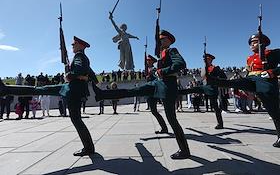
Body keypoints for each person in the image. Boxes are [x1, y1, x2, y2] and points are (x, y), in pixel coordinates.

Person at [93, 30, 191, 159]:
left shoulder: (172, 51)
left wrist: (163, 71)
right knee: (134, 91)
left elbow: (181, 64)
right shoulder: (162, 54)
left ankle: (184, 150)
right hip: (158, 84)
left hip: (168, 86)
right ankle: (103, 94)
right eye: (160, 40)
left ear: (169, 41)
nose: (161, 41)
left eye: (163, 39)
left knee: (172, 119)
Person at [0, 36, 98, 156]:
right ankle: (89, 147)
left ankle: (89, 148)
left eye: (74, 44)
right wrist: (84, 77)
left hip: (73, 90)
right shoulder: (83, 58)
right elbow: (93, 77)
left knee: (74, 118)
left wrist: (70, 75)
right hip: (73, 90)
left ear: (80, 46)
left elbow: (79, 70)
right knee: (41, 90)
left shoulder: (79, 56)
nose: (72, 46)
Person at [208, 33, 280, 147]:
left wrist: (273, 72)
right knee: (236, 82)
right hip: (251, 79)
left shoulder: (273, 53)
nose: (252, 45)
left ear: (263, 43)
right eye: (251, 43)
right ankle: (217, 81)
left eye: (255, 42)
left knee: (273, 110)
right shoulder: (249, 58)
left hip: (265, 81)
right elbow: (249, 72)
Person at [146, 54, 168, 134]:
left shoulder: (154, 69)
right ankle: (164, 128)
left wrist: (152, 75)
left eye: (148, 60)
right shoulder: (147, 69)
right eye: (147, 60)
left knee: (154, 111)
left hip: (153, 92)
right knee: (153, 111)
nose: (147, 61)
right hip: (149, 92)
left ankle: (164, 128)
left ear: (152, 61)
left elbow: (158, 78)